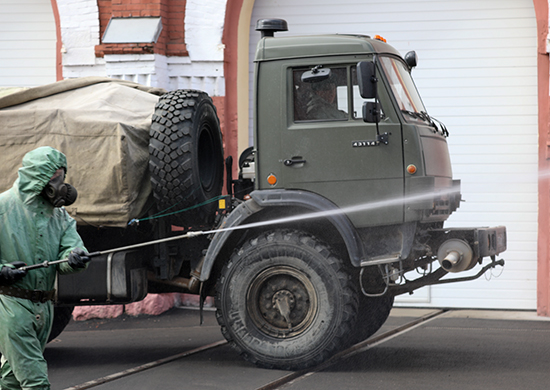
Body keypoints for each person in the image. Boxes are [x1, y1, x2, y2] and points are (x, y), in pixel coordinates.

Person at [0, 146, 91, 390]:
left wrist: (74, 258)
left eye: (62, 177)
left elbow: (72, 248)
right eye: (54, 179)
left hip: (45, 307)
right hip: (12, 306)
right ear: (35, 178)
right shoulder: (3, 208)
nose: (60, 184)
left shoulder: (60, 217)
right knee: (35, 380)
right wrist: (2, 271)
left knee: (11, 379)